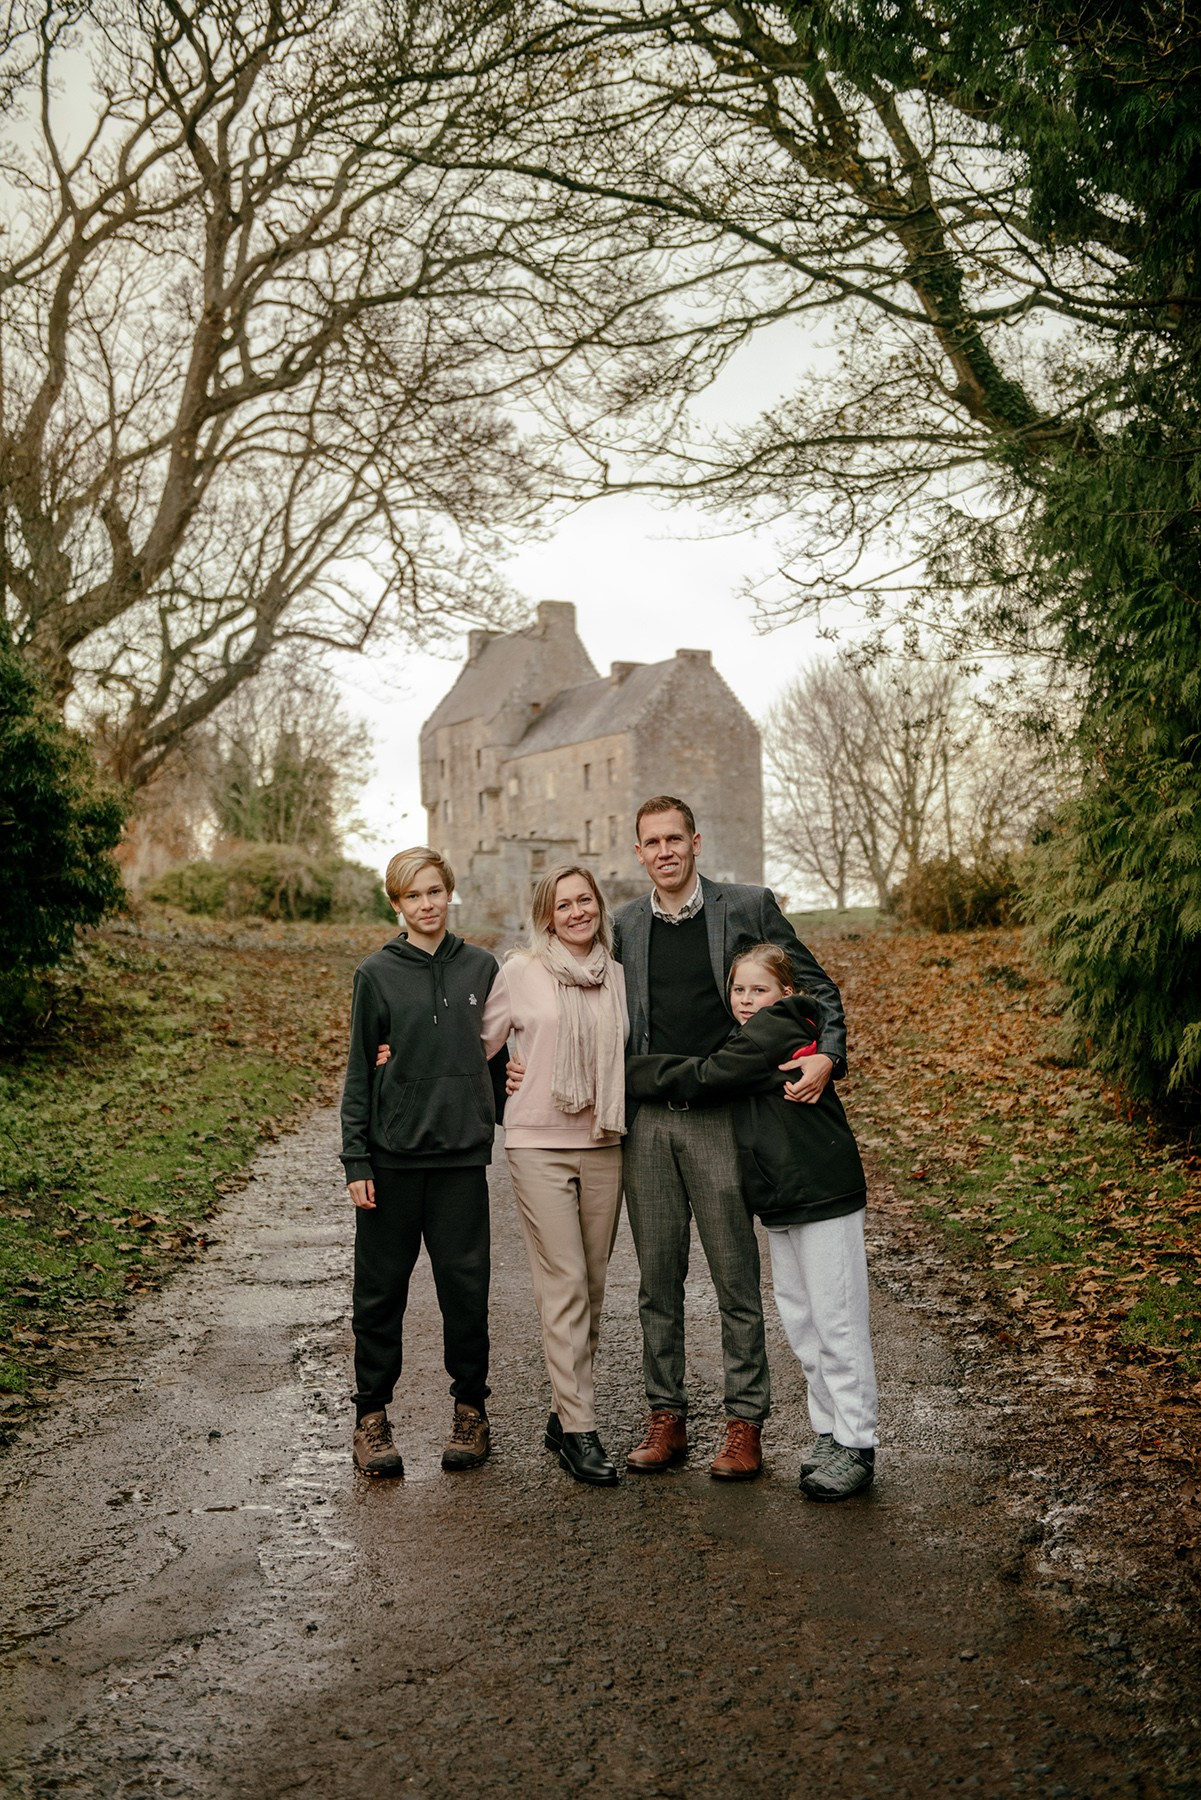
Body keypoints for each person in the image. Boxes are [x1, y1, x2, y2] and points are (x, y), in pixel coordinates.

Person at [615, 795, 848, 1480]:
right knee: (657, 1282)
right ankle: (667, 1418)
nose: (663, 852)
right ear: (638, 853)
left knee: (734, 1280)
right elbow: (577, 997)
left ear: (694, 841)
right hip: (649, 1122)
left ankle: (743, 1425)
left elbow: (816, 990)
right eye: (650, 842)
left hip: (723, 1118)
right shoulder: (622, 925)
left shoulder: (745, 907)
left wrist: (826, 1055)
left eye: (673, 839)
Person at [625, 943, 877, 1501]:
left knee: (836, 1322)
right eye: (738, 989)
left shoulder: (777, 1028)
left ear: (785, 994)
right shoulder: (754, 1030)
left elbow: (708, 1076)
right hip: (786, 1198)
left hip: (822, 1191)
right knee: (805, 1324)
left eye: (758, 989)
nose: (745, 1000)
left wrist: (626, 1072)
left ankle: (857, 1444)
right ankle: (830, 1433)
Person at [339, 847, 507, 1479]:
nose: (427, 904)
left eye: (436, 891)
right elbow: (360, 1070)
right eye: (414, 896)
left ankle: (471, 1412)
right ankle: (371, 1419)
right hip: (392, 1160)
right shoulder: (376, 974)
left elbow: (498, 1058)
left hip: (462, 1159)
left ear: (449, 893)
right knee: (380, 1295)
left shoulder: (482, 967)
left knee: (465, 1292)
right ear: (397, 904)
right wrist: (357, 1157)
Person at [479, 865, 629, 1486]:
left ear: (598, 906)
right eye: (563, 904)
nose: (576, 912)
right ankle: (580, 1430)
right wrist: (500, 1092)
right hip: (538, 1144)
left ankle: (562, 1410)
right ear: (546, 915)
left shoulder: (618, 977)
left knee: (591, 1287)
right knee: (563, 1281)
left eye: (584, 900)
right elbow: (472, 1048)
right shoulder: (519, 973)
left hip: (605, 1142)